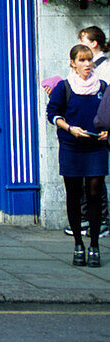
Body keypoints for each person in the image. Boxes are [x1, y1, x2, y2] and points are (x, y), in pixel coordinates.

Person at [47, 44, 110, 266]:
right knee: (73, 196)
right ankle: (77, 245)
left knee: (94, 195)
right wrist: (70, 128)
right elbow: (52, 114)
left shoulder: (102, 87)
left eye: (89, 59)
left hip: (96, 147)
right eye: (82, 60)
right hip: (72, 147)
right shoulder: (64, 88)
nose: (86, 64)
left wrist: (107, 131)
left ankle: (94, 245)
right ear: (72, 63)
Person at [70, 26, 110, 239]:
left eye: (83, 40)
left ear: (93, 43)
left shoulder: (105, 68)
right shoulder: (87, 69)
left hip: (99, 131)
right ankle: (87, 219)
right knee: (85, 179)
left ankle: (102, 221)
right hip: (82, 132)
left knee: (96, 179)